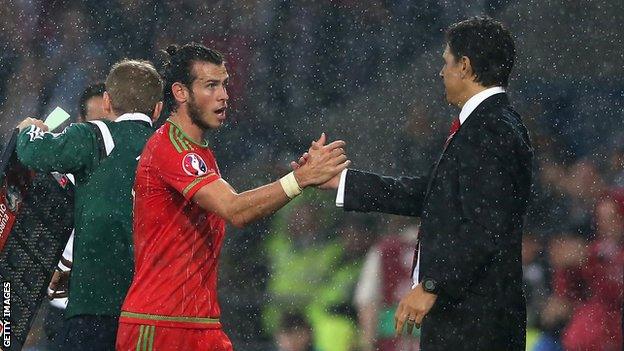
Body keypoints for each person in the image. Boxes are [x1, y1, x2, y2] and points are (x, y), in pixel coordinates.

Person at [296, 16, 533, 350]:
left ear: (464, 66)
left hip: (475, 319)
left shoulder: (490, 130)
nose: (441, 72)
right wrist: (341, 182)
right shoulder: (487, 126)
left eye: (446, 62)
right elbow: (430, 194)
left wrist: (432, 284)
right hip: (470, 315)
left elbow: (487, 227)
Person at [116, 43, 348, 351]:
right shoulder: (170, 148)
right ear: (180, 92)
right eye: (211, 85)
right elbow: (235, 209)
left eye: (224, 84)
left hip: (201, 323)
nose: (224, 95)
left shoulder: (201, 154)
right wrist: (299, 179)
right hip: (160, 324)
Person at [16, 59, 164, 350]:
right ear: (158, 108)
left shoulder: (94, 136)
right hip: (152, 311)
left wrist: (27, 130)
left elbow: (34, 153)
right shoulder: (170, 149)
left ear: (107, 103)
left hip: (93, 308)